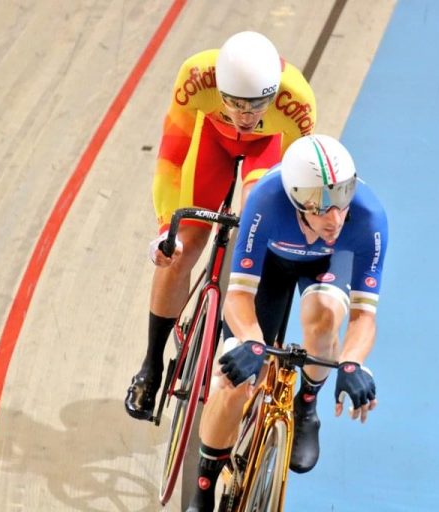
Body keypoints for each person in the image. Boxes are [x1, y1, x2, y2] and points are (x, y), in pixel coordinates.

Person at [186, 134, 388, 511]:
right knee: (234, 382)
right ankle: (203, 488)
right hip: (271, 265)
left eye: (342, 197)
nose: (336, 218)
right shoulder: (265, 202)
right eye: (321, 207)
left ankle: (306, 404)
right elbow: (238, 296)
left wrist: (352, 362)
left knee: (323, 319)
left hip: (328, 265)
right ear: (296, 199)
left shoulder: (369, 218)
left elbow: (364, 316)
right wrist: (250, 342)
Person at [125, 31, 316, 420]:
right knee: (182, 249)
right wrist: (165, 230)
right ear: (219, 89)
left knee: (256, 226)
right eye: (235, 103)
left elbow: (296, 185)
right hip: (212, 140)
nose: (246, 116)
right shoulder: (196, 77)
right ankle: (151, 364)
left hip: (266, 150)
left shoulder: (297, 101)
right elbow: (172, 157)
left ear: (273, 93)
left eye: (257, 104)